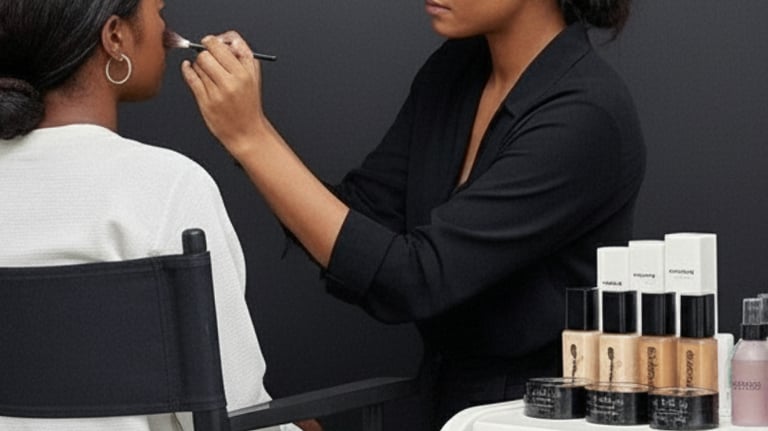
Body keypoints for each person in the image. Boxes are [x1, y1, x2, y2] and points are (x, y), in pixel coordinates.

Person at [182, 0, 644, 428]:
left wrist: (253, 137)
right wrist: (248, 134)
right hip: (441, 404)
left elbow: (414, 278)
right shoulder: (456, 70)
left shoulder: (586, 115)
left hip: (532, 417)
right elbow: (363, 213)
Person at [0, 1, 318, 430]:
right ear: (115, 37)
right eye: (159, 12)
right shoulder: (168, 187)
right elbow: (233, 417)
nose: (167, 31)